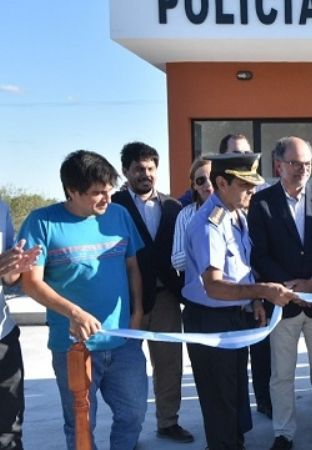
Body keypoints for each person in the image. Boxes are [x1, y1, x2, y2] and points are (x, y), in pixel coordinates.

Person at [19, 150, 149, 450]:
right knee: (80, 424)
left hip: (123, 341)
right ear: (72, 191)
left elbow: (132, 266)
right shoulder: (42, 223)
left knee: (134, 413)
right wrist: (74, 313)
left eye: (109, 190)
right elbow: (31, 283)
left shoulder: (119, 215)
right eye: (97, 193)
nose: (107, 199)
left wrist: (138, 311)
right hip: (74, 348)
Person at [181, 152, 297, 450]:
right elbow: (214, 286)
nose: (252, 191)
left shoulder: (235, 215)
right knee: (220, 402)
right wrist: (263, 291)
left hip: (233, 316)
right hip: (210, 321)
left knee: (233, 396)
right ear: (221, 183)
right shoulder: (209, 224)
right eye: (245, 185)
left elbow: (240, 271)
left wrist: (254, 301)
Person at [247, 137, 312, 450]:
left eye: (307, 163)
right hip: (283, 302)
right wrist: (287, 286)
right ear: (279, 165)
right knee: (281, 374)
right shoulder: (261, 202)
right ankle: (283, 433)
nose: (302, 169)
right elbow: (259, 254)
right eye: (295, 163)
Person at [110, 142, 194, 444]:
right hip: (126, 300)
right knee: (126, 368)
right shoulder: (113, 206)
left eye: (150, 168)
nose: (145, 174)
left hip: (166, 299)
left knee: (169, 364)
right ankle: (128, 432)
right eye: (138, 169)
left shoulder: (173, 206)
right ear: (125, 171)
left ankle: (168, 422)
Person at [0, 200, 41, 450]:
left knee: (9, 431)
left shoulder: (1, 208)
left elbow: (6, 276)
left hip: (3, 335)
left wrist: (15, 268)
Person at [171, 158, 214, 272]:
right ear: (194, 185)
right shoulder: (185, 215)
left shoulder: (232, 209)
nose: (208, 184)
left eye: (212, 177)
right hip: (198, 281)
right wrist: (207, 247)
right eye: (201, 180)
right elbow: (177, 261)